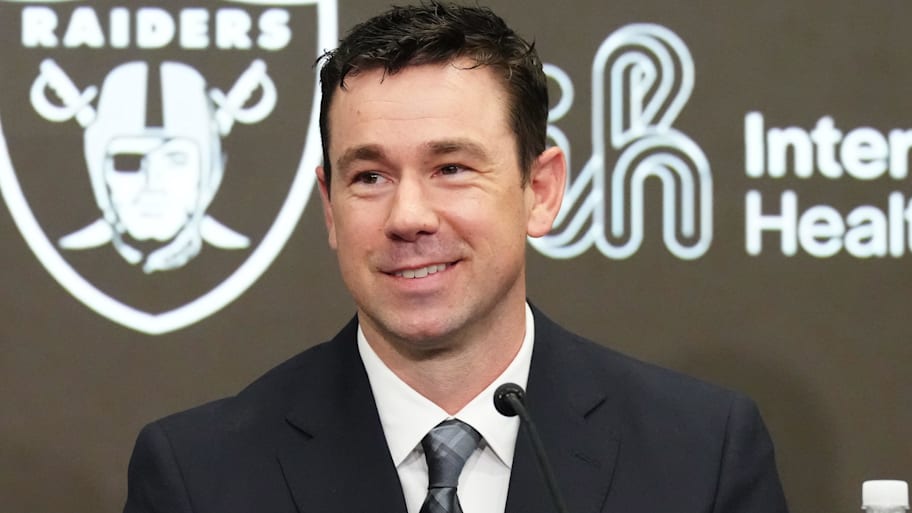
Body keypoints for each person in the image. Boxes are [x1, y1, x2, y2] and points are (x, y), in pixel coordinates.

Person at [123, 3, 790, 513]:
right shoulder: (200, 475)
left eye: (451, 168)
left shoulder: (701, 455)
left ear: (540, 190)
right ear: (330, 207)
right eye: (369, 177)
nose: (408, 216)